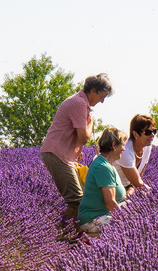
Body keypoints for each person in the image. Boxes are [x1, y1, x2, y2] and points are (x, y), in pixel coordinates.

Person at [40, 74, 114, 224]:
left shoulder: (80, 103)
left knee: (81, 198)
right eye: (102, 96)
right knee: (77, 199)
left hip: (63, 155)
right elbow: (84, 137)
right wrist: (91, 123)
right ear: (93, 90)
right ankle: (62, 234)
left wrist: (75, 152)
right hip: (57, 154)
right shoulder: (79, 103)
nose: (102, 101)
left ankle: (69, 234)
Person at [76, 127, 133, 238]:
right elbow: (110, 202)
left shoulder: (108, 165)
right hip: (92, 219)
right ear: (113, 145)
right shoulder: (103, 167)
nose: (124, 149)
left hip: (103, 216)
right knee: (131, 229)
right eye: (122, 145)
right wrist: (126, 219)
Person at [118, 114, 156, 190]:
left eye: (154, 131)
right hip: (108, 188)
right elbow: (138, 182)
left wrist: (131, 190)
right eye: (148, 132)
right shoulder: (125, 151)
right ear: (135, 134)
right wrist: (156, 193)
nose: (152, 135)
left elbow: (138, 178)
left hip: (125, 187)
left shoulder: (147, 147)